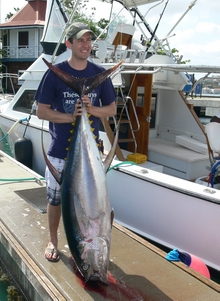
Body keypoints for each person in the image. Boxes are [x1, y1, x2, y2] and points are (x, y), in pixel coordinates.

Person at [35, 22, 117, 262]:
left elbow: (111, 109)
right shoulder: (54, 74)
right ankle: (53, 240)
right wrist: (72, 117)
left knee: (93, 205)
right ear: (69, 43)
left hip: (90, 157)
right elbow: (42, 111)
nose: (86, 45)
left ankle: (93, 241)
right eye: (80, 40)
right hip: (60, 152)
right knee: (55, 199)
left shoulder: (99, 74)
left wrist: (92, 109)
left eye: (89, 40)